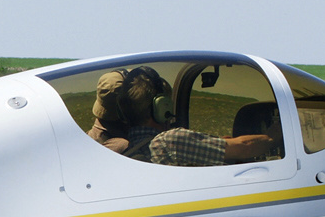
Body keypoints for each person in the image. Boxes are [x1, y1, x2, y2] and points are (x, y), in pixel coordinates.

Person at [87, 67, 276, 166]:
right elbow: (245, 147)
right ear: (161, 108)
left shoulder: (119, 149)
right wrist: (275, 136)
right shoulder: (170, 142)